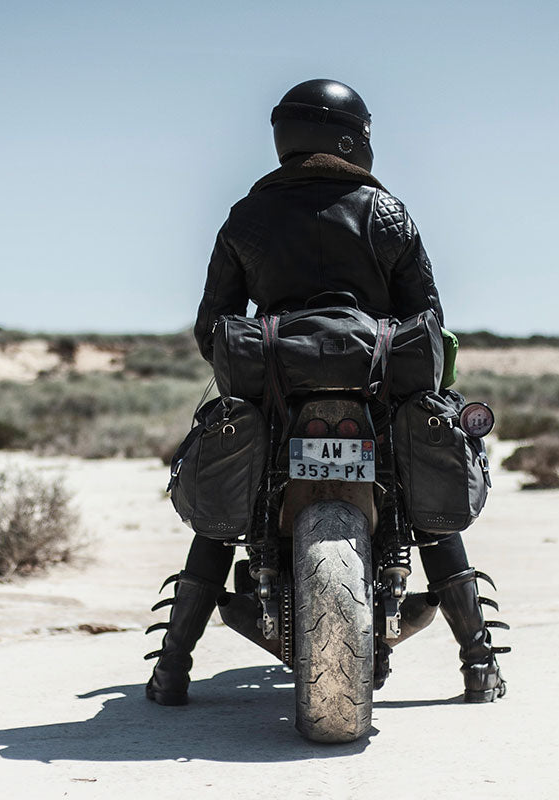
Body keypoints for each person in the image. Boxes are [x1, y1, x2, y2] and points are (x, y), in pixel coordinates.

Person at [145, 79, 509, 707]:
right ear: (354, 136)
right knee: (425, 493)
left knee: (230, 499)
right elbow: (429, 320)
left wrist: (257, 375)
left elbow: (213, 324)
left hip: (277, 384)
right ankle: (478, 665)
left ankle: (171, 671)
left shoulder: (247, 216)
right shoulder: (388, 212)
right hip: (377, 381)